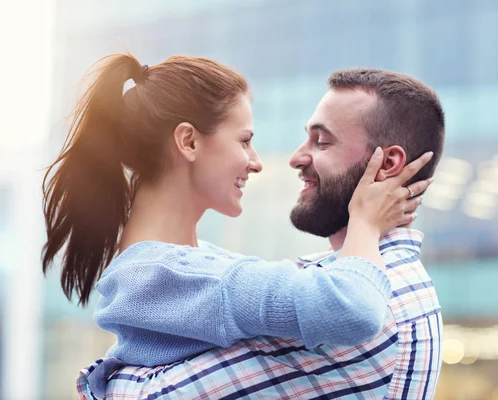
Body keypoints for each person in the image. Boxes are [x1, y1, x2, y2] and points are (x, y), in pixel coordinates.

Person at [42, 52, 432, 378]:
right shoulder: (185, 277)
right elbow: (354, 311)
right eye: (244, 141)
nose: (256, 163)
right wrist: (365, 220)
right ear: (189, 141)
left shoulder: (171, 271)